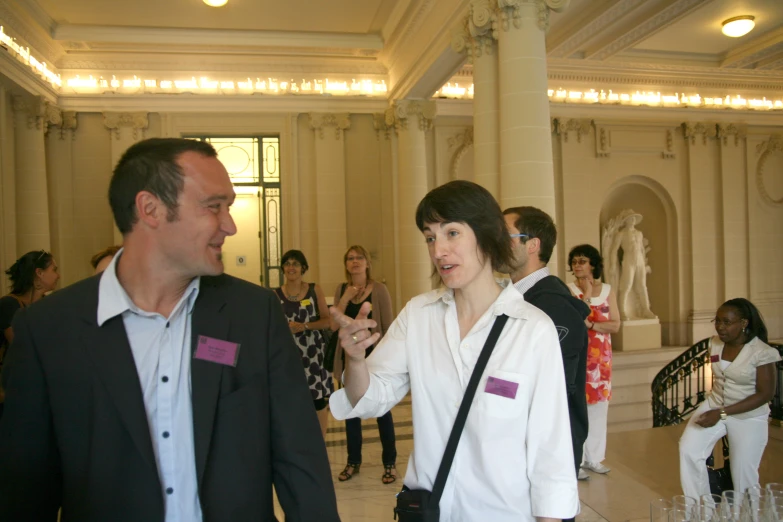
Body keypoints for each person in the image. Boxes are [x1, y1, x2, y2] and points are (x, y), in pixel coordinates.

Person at [0, 138, 339, 522]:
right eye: (214, 207)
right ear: (150, 209)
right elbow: (24, 493)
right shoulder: (47, 331)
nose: (230, 225)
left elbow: (301, 462)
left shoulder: (254, 313)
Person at [330, 180, 579, 521]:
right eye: (430, 237)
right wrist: (355, 360)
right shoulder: (419, 315)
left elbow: (551, 453)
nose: (438, 250)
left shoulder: (532, 329)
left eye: (452, 233)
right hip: (432, 511)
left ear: (487, 236)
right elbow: (370, 397)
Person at [503, 207, 590, 495]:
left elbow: (547, 389)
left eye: (506, 235)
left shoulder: (553, 307)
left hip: (548, 448)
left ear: (533, 244)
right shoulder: (513, 298)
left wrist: (484, 385)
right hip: (515, 444)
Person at [679, 298, 780, 499]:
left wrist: (722, 413)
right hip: (715, 403)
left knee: (743, 474)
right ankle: (700, 511)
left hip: (748, 416)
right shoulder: (715, 344)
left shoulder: (762, 352)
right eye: (717, 321)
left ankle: (747, 516)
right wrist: (716, 409)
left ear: (743, 323)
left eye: (727, 322)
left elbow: (765, 394)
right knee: (689, 450)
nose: (720, 327)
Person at [330, 245, 397, 484]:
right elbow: (333, 326)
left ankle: (389, 462)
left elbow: (388, 327)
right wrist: (346, 297)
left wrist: (385, 360)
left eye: (359, 258)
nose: (355, 262)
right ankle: (353, 461)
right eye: (350, 258)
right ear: (346, 264)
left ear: (367, 263)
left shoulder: (379, 289)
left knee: (382, 411)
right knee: (351, 412)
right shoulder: (341, 289)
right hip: (348, 357)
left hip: (374, 358)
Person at [567, 244, 620, 479]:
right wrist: (587, 298)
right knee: (577, 407)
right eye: (574, 261)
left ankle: (594, 458)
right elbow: (574, 319)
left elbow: (616, 325)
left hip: (601, 358)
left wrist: (591, 325)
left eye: (582, 261)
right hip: (578, 354)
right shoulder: (568, 289)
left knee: (599, 407)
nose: (577, 265)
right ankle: (575, 459)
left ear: (593, 265)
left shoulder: (608, 290)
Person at [274, 249, 333, 438]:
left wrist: (305, 326)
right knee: (291, 400)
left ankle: (320, 443)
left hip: (313, 355)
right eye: (288, 263)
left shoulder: (314, 290)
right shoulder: (275, 295)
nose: (291, 267)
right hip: (288, 357)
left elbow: (327, 321)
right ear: (283, 268)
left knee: (317, 402)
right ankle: (296, 442)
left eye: (296, 264)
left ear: (303, 268)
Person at [0, 251, 60, 420]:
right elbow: (23, 348)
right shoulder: (9, 304)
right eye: (54, 270)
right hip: (13, 394)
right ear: (39, 273)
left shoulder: (46, 306)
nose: (58, 275)